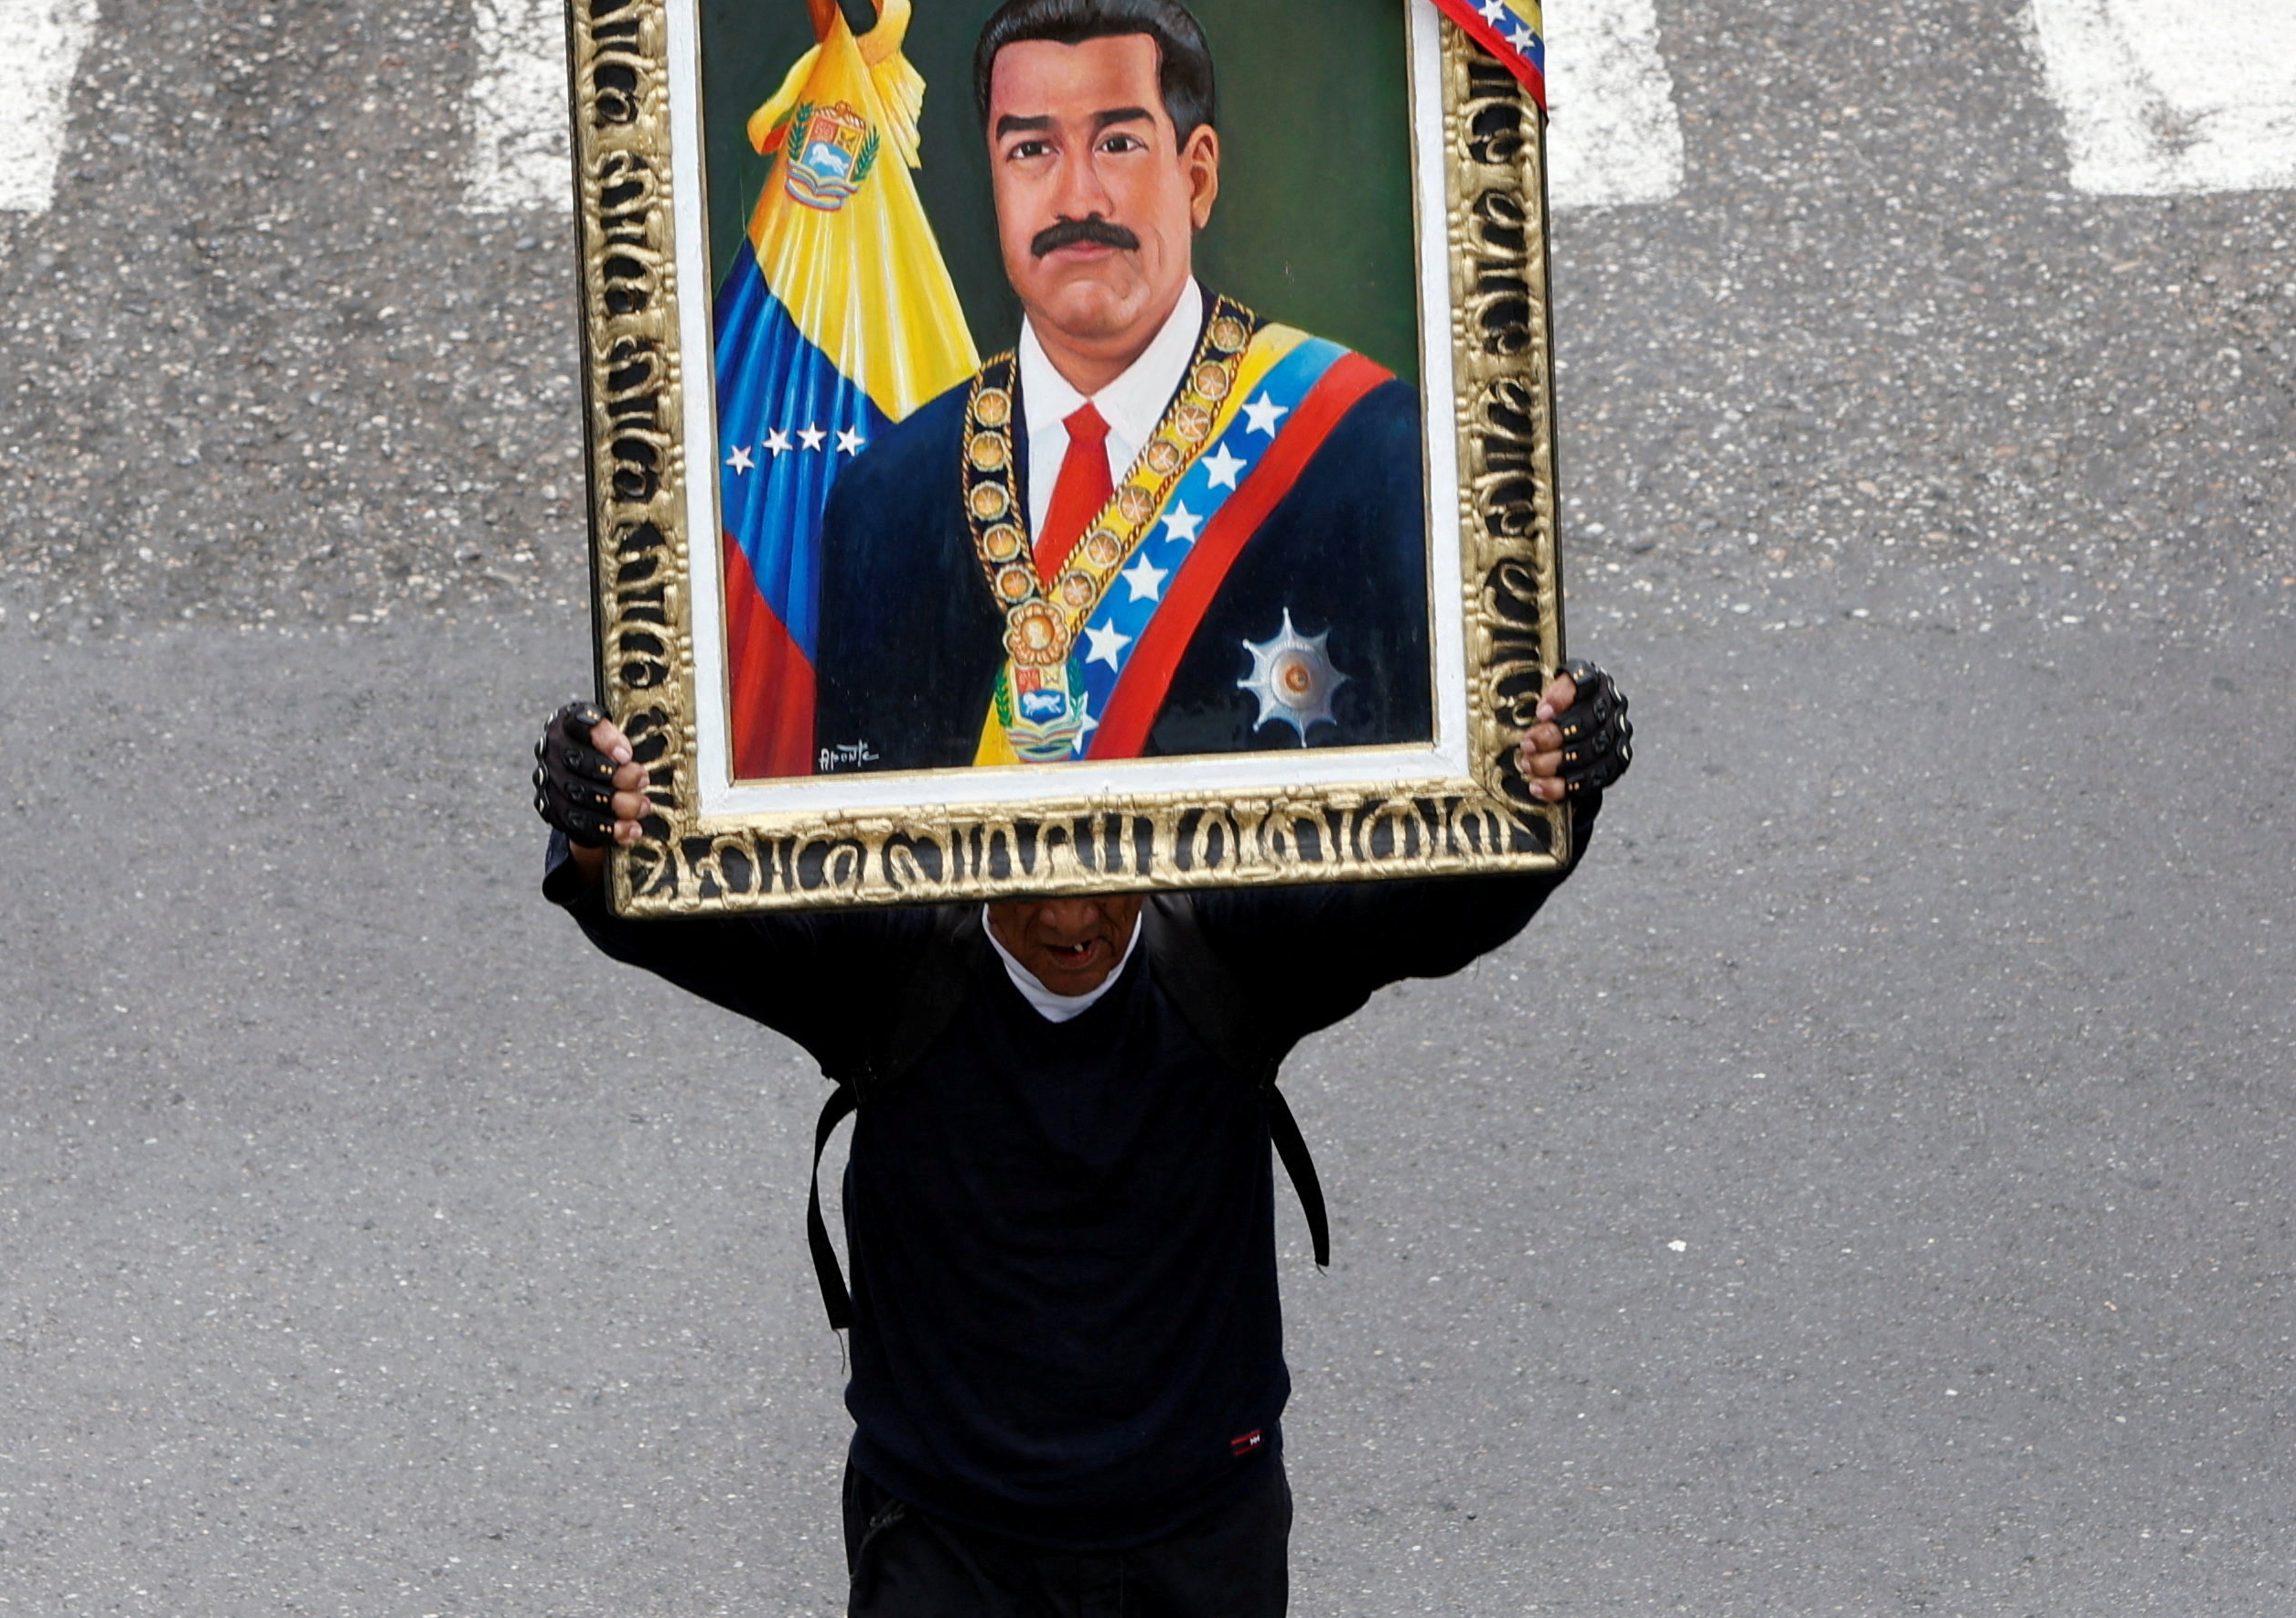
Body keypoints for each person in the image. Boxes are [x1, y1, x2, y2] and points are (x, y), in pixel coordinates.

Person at [533, 662, 1631, 1616]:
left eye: (1102, 872)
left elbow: (1444, 903)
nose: (1071, 920)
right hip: (947, 1547)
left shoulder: (1239, 949)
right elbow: (649, 904)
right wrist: (592, 828)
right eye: (1030, 882)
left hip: (1200, 1544)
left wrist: (1556, 791)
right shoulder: (882, 962)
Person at [811, 0, 1430, 775]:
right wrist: (600, 861)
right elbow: (838, 877)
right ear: (996, 183)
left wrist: (1546, 791)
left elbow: (1435, 848)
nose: (1077, 196)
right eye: (1031, 150)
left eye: (1117, 143)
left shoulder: (1367, 452)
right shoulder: (884, 499)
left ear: (1197, 176)